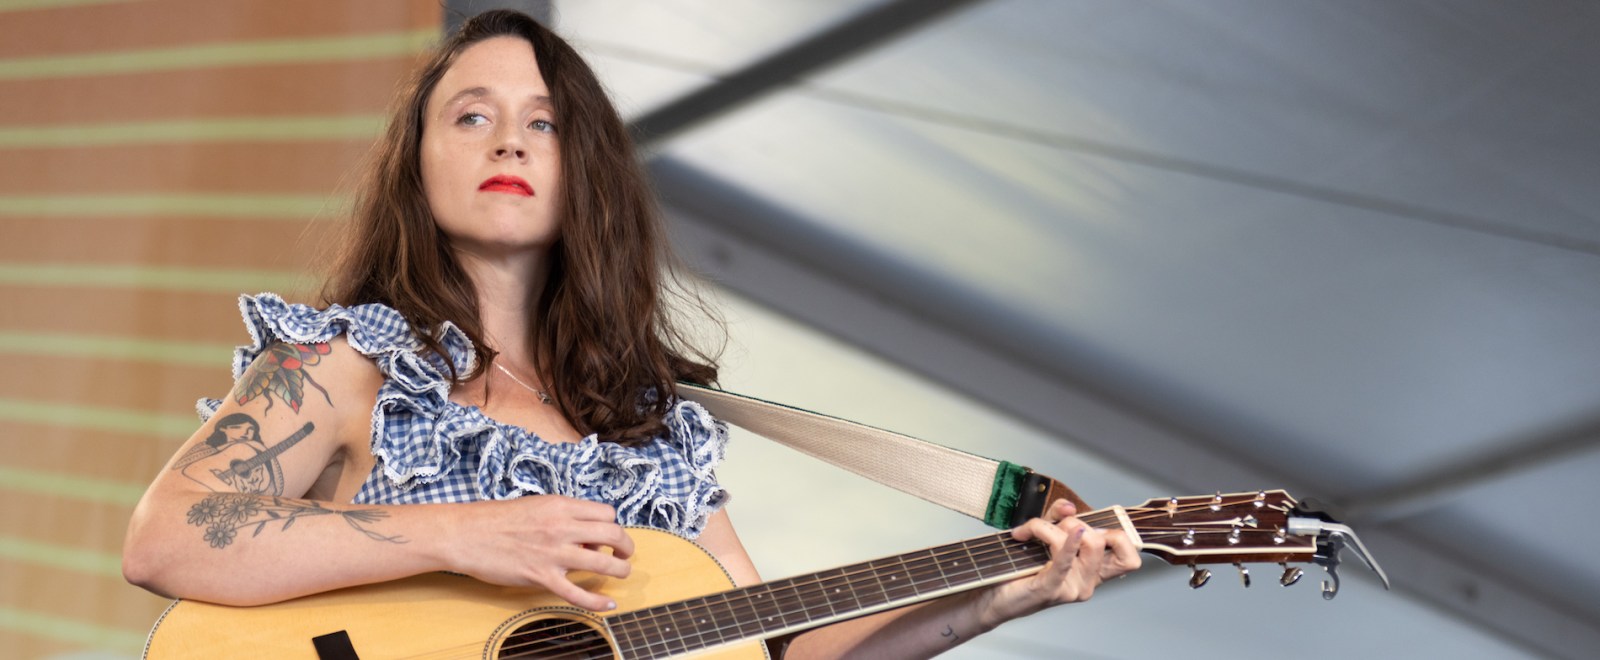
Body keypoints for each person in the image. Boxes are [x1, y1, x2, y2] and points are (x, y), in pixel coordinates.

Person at [123, 9, 1140, 657]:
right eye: (470, 117)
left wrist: (1000, 598)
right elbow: (168, 537)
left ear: (585, 171)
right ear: (417, 168)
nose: (511, 136)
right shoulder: (346, 361)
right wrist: (470, 533)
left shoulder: (650, 427)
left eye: (545, 120)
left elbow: (776, 650)